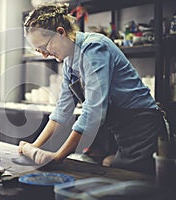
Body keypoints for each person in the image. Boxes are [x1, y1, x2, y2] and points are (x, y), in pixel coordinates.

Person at [18, 3, 168, 175]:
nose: (44, 54)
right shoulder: (69, 63)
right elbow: (62, 112)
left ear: (60, 32)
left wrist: (59, 157)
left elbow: (94, 111)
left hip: (144, 128)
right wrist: (32, 147)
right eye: (39, 50)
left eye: (45, 47)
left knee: (136, 184)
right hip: (123, 133)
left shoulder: (94, 48)